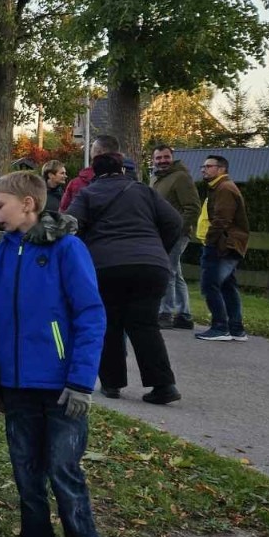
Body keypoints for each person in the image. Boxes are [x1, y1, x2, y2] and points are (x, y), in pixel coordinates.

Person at [0, 171, 107, 537]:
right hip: (16, 389)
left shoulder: (67, 249)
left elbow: (90, 313)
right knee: (27, 476)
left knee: (63, 471)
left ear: (28, 204)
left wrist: (82, 379)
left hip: (62, 386)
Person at [68, 146, 183, 404]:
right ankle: (164, 385)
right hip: (151, 266)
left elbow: (71, 224)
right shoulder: (144, 191)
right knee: (145, 325)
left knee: (108, 323)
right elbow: (174, 221)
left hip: (106, 266)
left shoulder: (87, 194)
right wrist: (157, 249)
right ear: (122, 170)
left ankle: (111, 382)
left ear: (94, 173)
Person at [195, 154, 250, 343]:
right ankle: (236, 328)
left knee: (210, 285)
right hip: (228, 244)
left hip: (222, 245)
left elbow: (222, 219)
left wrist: (210, 240)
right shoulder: (219, 187)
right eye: (203, 166)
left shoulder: (224, 188)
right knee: (227, 286)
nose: (203, 169)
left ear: (221, 169)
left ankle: (220, 326)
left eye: (208, 166)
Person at [150, 145, 202, 330]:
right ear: (153, 160)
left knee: (168, 271)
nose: (162, 161)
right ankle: (184, 315)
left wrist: (179, 229)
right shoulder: (157, 178)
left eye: (166, 157)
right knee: (176, 272)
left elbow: (193, 207)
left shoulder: (181, 177)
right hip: (162, 233)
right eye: (158, 158)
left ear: (172, 158)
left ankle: (166, 313)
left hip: (176, 234)